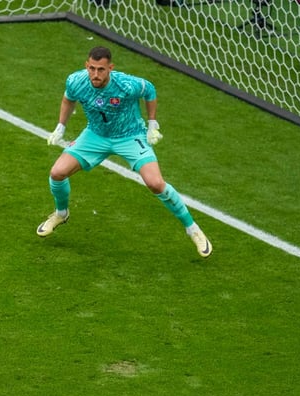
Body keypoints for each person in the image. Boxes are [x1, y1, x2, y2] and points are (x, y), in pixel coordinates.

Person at [38, 45, 213, 258]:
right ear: (86, 66)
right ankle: (61, 214)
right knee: (57, 173)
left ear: (110, 68)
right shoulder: (76, 81)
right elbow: (68, 99)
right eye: (92, 68)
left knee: (156, 183)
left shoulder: (126, 85)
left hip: (130, 136)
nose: (95, 74)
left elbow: (150, 90)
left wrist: (152, 123)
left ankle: (192, 229)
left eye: (101, 70)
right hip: (95, 135)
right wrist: (61, 126)